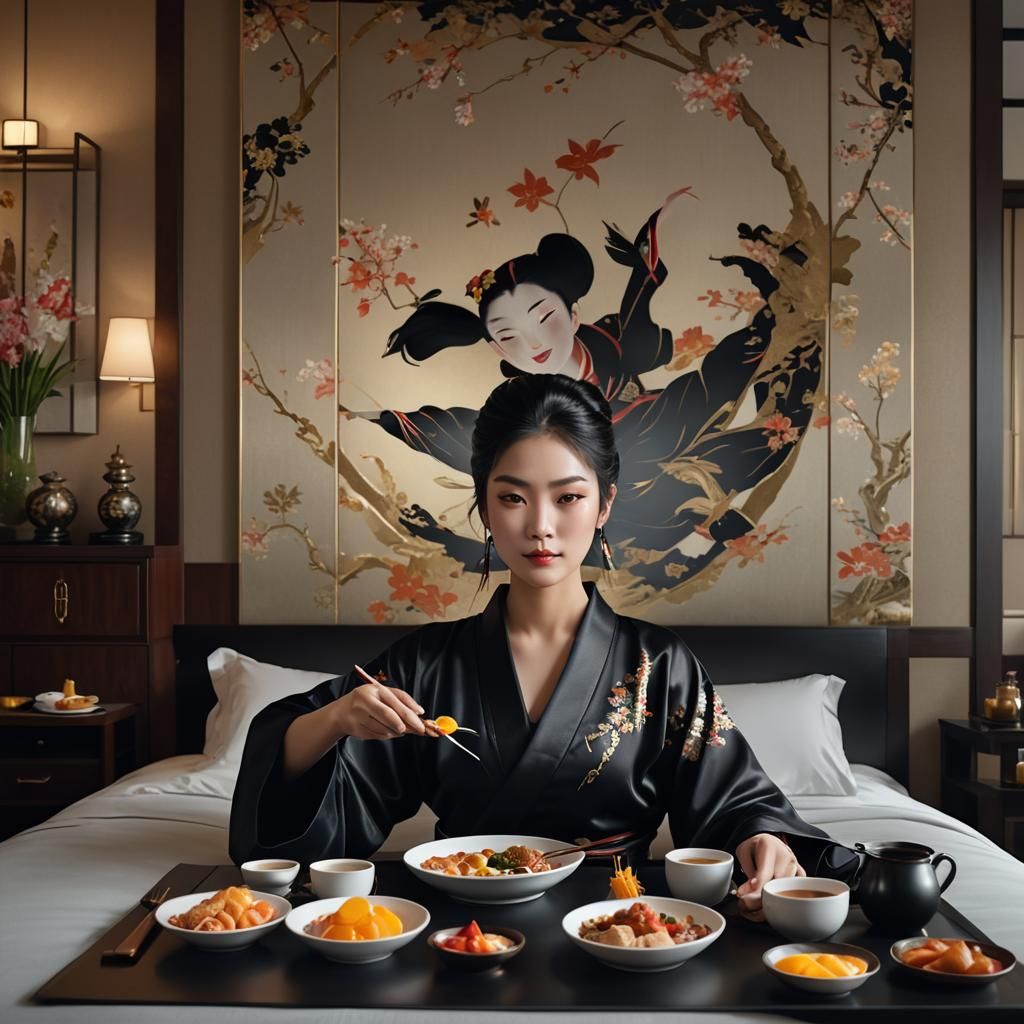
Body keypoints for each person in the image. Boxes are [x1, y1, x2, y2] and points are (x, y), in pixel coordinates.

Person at [231, 374, 854, 915]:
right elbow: (299, 836)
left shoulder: (658, 665)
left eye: (568, 497)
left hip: (625, 922)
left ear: (605, 504)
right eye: (511, 497)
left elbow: (734, 802)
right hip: (458, 921)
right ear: (483, 506)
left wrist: (764, 839)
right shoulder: (424, 665)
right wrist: (335, 718)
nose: (540, 526)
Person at [343, 194, 819, 590]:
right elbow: (446, 428)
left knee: (707, 406)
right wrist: (372, 416)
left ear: (572, 315)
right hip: (612, 487)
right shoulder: (520, 411)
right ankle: (697, 523)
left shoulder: (610, 345)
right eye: (509, 336)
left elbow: (643, 286)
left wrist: (656, 229)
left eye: (545, 319)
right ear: (493, 347)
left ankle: (779, 321)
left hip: (646, 421)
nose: (534, 344)